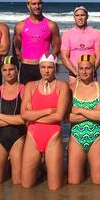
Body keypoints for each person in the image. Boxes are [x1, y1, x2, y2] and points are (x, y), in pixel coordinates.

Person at [20, 53, 69, 190]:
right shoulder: (30, 86)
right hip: (33, 136)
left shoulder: (62, 86)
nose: (46, 70)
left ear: (56, 68)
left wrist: (33, 115)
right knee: (26, 185)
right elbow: (23, 114)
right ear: (39, 68)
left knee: (54, 188)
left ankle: (63, 176)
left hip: (53, 136)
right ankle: (44, 169)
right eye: (43, 67)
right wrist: (48, 111)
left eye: (50, 67)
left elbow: (59, 116)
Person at [0, 56, 26, 185]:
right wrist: (14, 119)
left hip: (18, 138)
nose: (8, 73)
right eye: (5, 70)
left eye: (11, 69)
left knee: (18, 182)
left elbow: (24, 120)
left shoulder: (24, 90)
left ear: (17, 70)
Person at [68, 54, 100, 185]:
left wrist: (79, 110)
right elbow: (67, 118)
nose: (84, 71)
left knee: (98, 182)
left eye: (88, 68)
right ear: (77, 69)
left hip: (96, 137)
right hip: (75, 137)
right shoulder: (71, 89)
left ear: (93, 70)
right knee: (74, 182)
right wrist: (92, 112)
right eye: (81, 68)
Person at [13, 0, 61, 84]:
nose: (37, 6)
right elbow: (16, 48)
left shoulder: (51, 25)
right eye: (33, 4)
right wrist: (22, 60)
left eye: (39, 3)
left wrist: (48, 61)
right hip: (26, 67)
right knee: (26, 96)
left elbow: (57, 47)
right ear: (28, 5)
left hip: (43, 67)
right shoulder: (20, 25)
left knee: (44, 95)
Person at [60, 5, 100, 82]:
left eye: (82, 15)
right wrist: (76, 73)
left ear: (87, 16)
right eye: (77, 15)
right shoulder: (67, 34)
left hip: (91, 73)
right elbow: (64, 56)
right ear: (74, 17)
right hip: (74, 74)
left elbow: (99, 56)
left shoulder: (96, 33)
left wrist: (91, 71)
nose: (80, 18)